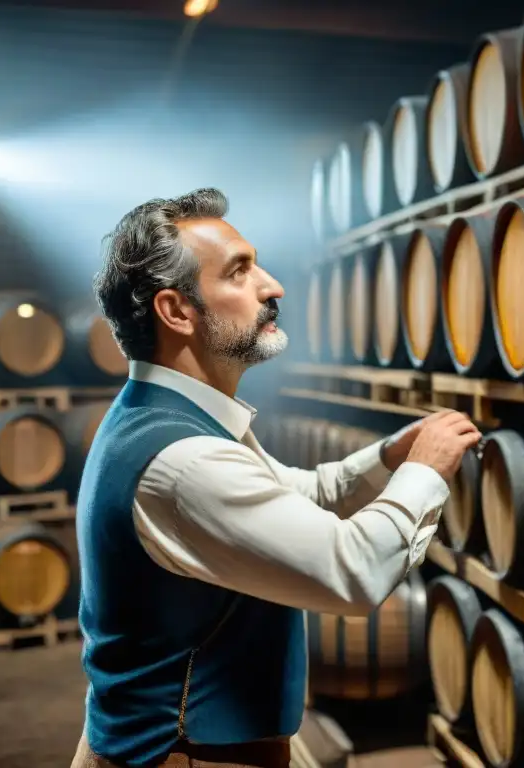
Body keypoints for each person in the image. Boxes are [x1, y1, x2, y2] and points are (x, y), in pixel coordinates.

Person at [70, 188, 481, 768]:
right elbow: (354, 571)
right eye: (239, 272)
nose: (272, 286)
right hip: (183, 756)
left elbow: (294, 494)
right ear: (176, 311)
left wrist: (389, 458)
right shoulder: (186, 462)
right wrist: (426, 470)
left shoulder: (173, 416)